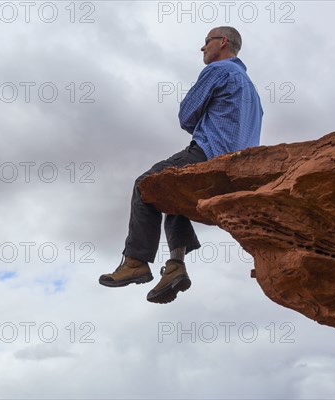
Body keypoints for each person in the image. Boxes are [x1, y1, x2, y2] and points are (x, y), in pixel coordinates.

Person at [99, 26, 263, 304]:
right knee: (174, 195)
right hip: (237, 169)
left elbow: (186, 115)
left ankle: (136, 260)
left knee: (146, 184)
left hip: (209, 155)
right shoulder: (252, 90)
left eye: (206, 42)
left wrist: (201, 123)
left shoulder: (219, 70)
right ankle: (175, 266)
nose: (202, 48)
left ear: (222, 42)